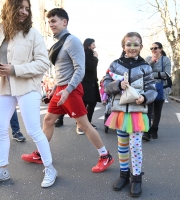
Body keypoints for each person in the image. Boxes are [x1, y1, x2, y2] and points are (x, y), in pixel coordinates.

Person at [21, 8, 114, 173]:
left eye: (54, 21)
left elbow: (80, 70)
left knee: (84, 125)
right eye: (49, 22)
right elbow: (61, 72)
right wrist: (56, 88)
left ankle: (105, 156)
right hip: (61, 90)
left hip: (70, 90)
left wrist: (68, 90)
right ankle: (40, 154)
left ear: (64, 22)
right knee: (48, 121)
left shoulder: (72, 41)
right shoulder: (58, 43)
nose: (51, 24)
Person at [0, 0, 57, 188]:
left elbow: (43, 63)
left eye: (27, 8)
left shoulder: (33, 34)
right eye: (20, 7)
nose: (24, 12)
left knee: (33, 130)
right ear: (9, 8)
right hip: (5, 87)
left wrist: (14, 69)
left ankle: (50, 168)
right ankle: (2, 170)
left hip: (27, 86)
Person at [103, 32, 157, 197]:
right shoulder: (114, 65)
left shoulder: (145, 67)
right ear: (123, 46)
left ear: (141, 47)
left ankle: (136, 178)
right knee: (122, 146)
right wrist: (118, 84)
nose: (132, 48)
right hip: (119, 112)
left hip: (137, 113)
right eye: (129, 44)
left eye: (136, 44)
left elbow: (152, 89)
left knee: (135, 146)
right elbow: (105, 84)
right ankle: (124, 175)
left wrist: (145, 97)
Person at [55, 38, 101, 134]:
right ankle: (80, 125)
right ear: (88, 45)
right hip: (86, 83)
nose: (95, 46)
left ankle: (87, 123)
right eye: (93, 44)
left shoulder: (90, 54)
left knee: (92, 104)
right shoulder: (85, 55)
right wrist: (96, 58)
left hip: (92, 83)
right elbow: (90, 67)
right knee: (82, 104)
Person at [143, 42, 172, 141]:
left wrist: (153, 74)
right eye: (151, 48)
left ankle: (154, 129)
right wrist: (151, 62)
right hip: (149, 88)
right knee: (148, 111)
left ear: (160, 49)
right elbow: (143, 72)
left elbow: (167, 74)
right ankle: (147, 132)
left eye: (155, 48)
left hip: (162, 88)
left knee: (157, 111)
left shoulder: (166, 59)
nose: (153, 50)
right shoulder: (147, 59)